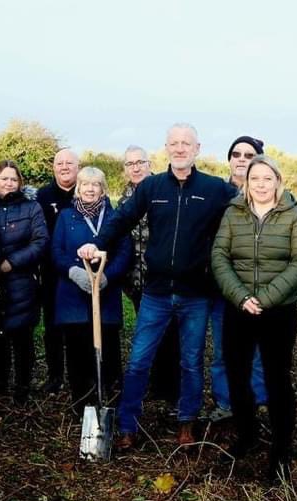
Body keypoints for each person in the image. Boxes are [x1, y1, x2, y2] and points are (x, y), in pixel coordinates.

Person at [78, 123, 237, 448]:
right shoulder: (151, 187)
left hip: (196, 293)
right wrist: (98, 242)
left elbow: (248, 206)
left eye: (186, 143)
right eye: (174, 143)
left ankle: (186, 424)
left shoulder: (214, 188)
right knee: (139, 360)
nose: (180, 149)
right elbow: (122, 218)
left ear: (197, 148)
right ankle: (127, 426)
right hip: (156, 292)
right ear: (166, 148)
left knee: (191, 361)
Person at [211, 155, 297, 480]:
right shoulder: (233, 213)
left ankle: (281, 449)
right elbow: (219, 256)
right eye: (254, 179)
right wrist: (241, 297)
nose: (260, 185)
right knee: (238, 376)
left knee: (277, 379)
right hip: (238, 307)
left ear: (277, 182)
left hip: (278, 311)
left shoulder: (294, 216)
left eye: (267, 179)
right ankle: (247, 436)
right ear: (246, 182)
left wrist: (265, 298)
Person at [51, 167, 132, 411]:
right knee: (77, 352)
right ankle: (81, 405)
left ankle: (109, 402)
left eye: (95, 184)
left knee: (107, 349)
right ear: (78, 188)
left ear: (103, 189)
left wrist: (107, 276)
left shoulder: (114, 217)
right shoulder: (66, 216)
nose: (89, 188)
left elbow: (124, 251)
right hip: (73, 295)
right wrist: (74, 272)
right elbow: (56, 252)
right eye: (85, 184)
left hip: (105, 295)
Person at [208, 136, 270, 421]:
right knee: (223, 349)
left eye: (249, 154)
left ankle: (258, 400)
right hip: (223, 285)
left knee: (258, 349)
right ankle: (225, 402)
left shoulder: (271, 193)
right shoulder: (216, 192)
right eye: (236, 154)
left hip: (260, 287)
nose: (242, 159)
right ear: (229, 159)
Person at [0, 160, 48, 404]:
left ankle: (22, 387)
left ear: (20, 182)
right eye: (4, 178)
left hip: (22, 280)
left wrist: (12, 262)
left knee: (22, 337)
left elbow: (40, 241)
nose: (9, 183)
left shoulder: (32, 207)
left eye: (13, 179)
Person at [121, 145, 180, 404]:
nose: (135, 167)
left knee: (170, 335)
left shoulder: (163, 190)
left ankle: (171, 388)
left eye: (140, 162)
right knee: (147, 334)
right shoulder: (124, 200)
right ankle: (155, 384)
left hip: (164, 280)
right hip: (136, 280)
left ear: (149, 163)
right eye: (130, 163)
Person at [37, 149, 80, 394]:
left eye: (69, 163)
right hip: (52, 272)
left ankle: (79, 375)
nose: (64, 167)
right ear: (53, 167)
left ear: (78, 166)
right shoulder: (43, 195)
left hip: (80, 269)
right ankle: (54, 376)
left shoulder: (86, 191)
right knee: (52, 326)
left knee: (77, 326)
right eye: (59, 163)